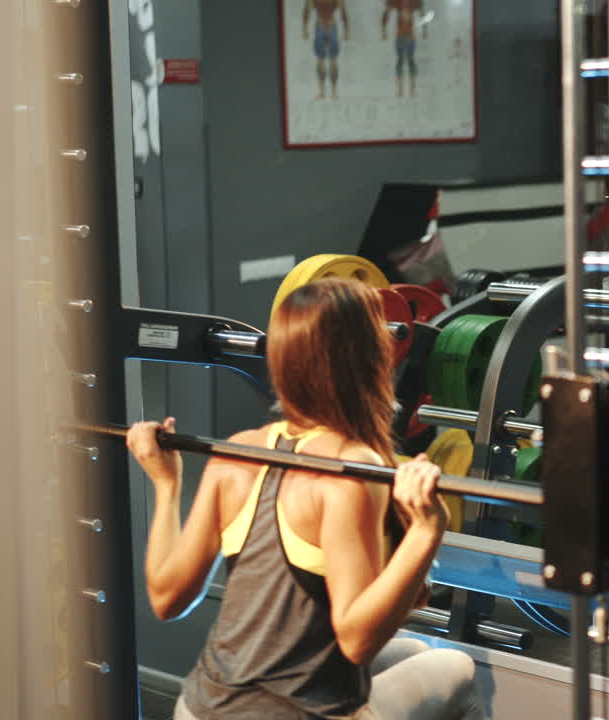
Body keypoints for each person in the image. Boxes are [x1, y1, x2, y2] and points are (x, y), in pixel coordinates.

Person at [127, 277, 485, 720]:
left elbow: (166, 598)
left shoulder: (238, 451)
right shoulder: (350, 469)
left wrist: (167, 486)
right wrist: (427, 530)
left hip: (201, 709)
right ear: (370, 358)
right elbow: (355, 639)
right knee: (457, 667)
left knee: (412, 648)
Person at [303, 0, 350, 100]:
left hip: (330, 27)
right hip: (321, 27)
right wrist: (304, 28)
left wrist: (346, 30)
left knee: (332, 60)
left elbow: (343, 13)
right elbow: (307, 11)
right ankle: (323, 92)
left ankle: (333, 92)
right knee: (321, 60)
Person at [382, 0, 426, 97]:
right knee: (401, 60)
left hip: (409, 35)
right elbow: (387, 11)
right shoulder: (398, 3)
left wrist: (424, 30)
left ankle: (411, 89)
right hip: (401, 35)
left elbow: (422, 12)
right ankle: (400, 89)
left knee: (410, 60)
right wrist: (384, 29)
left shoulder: (413, 3)